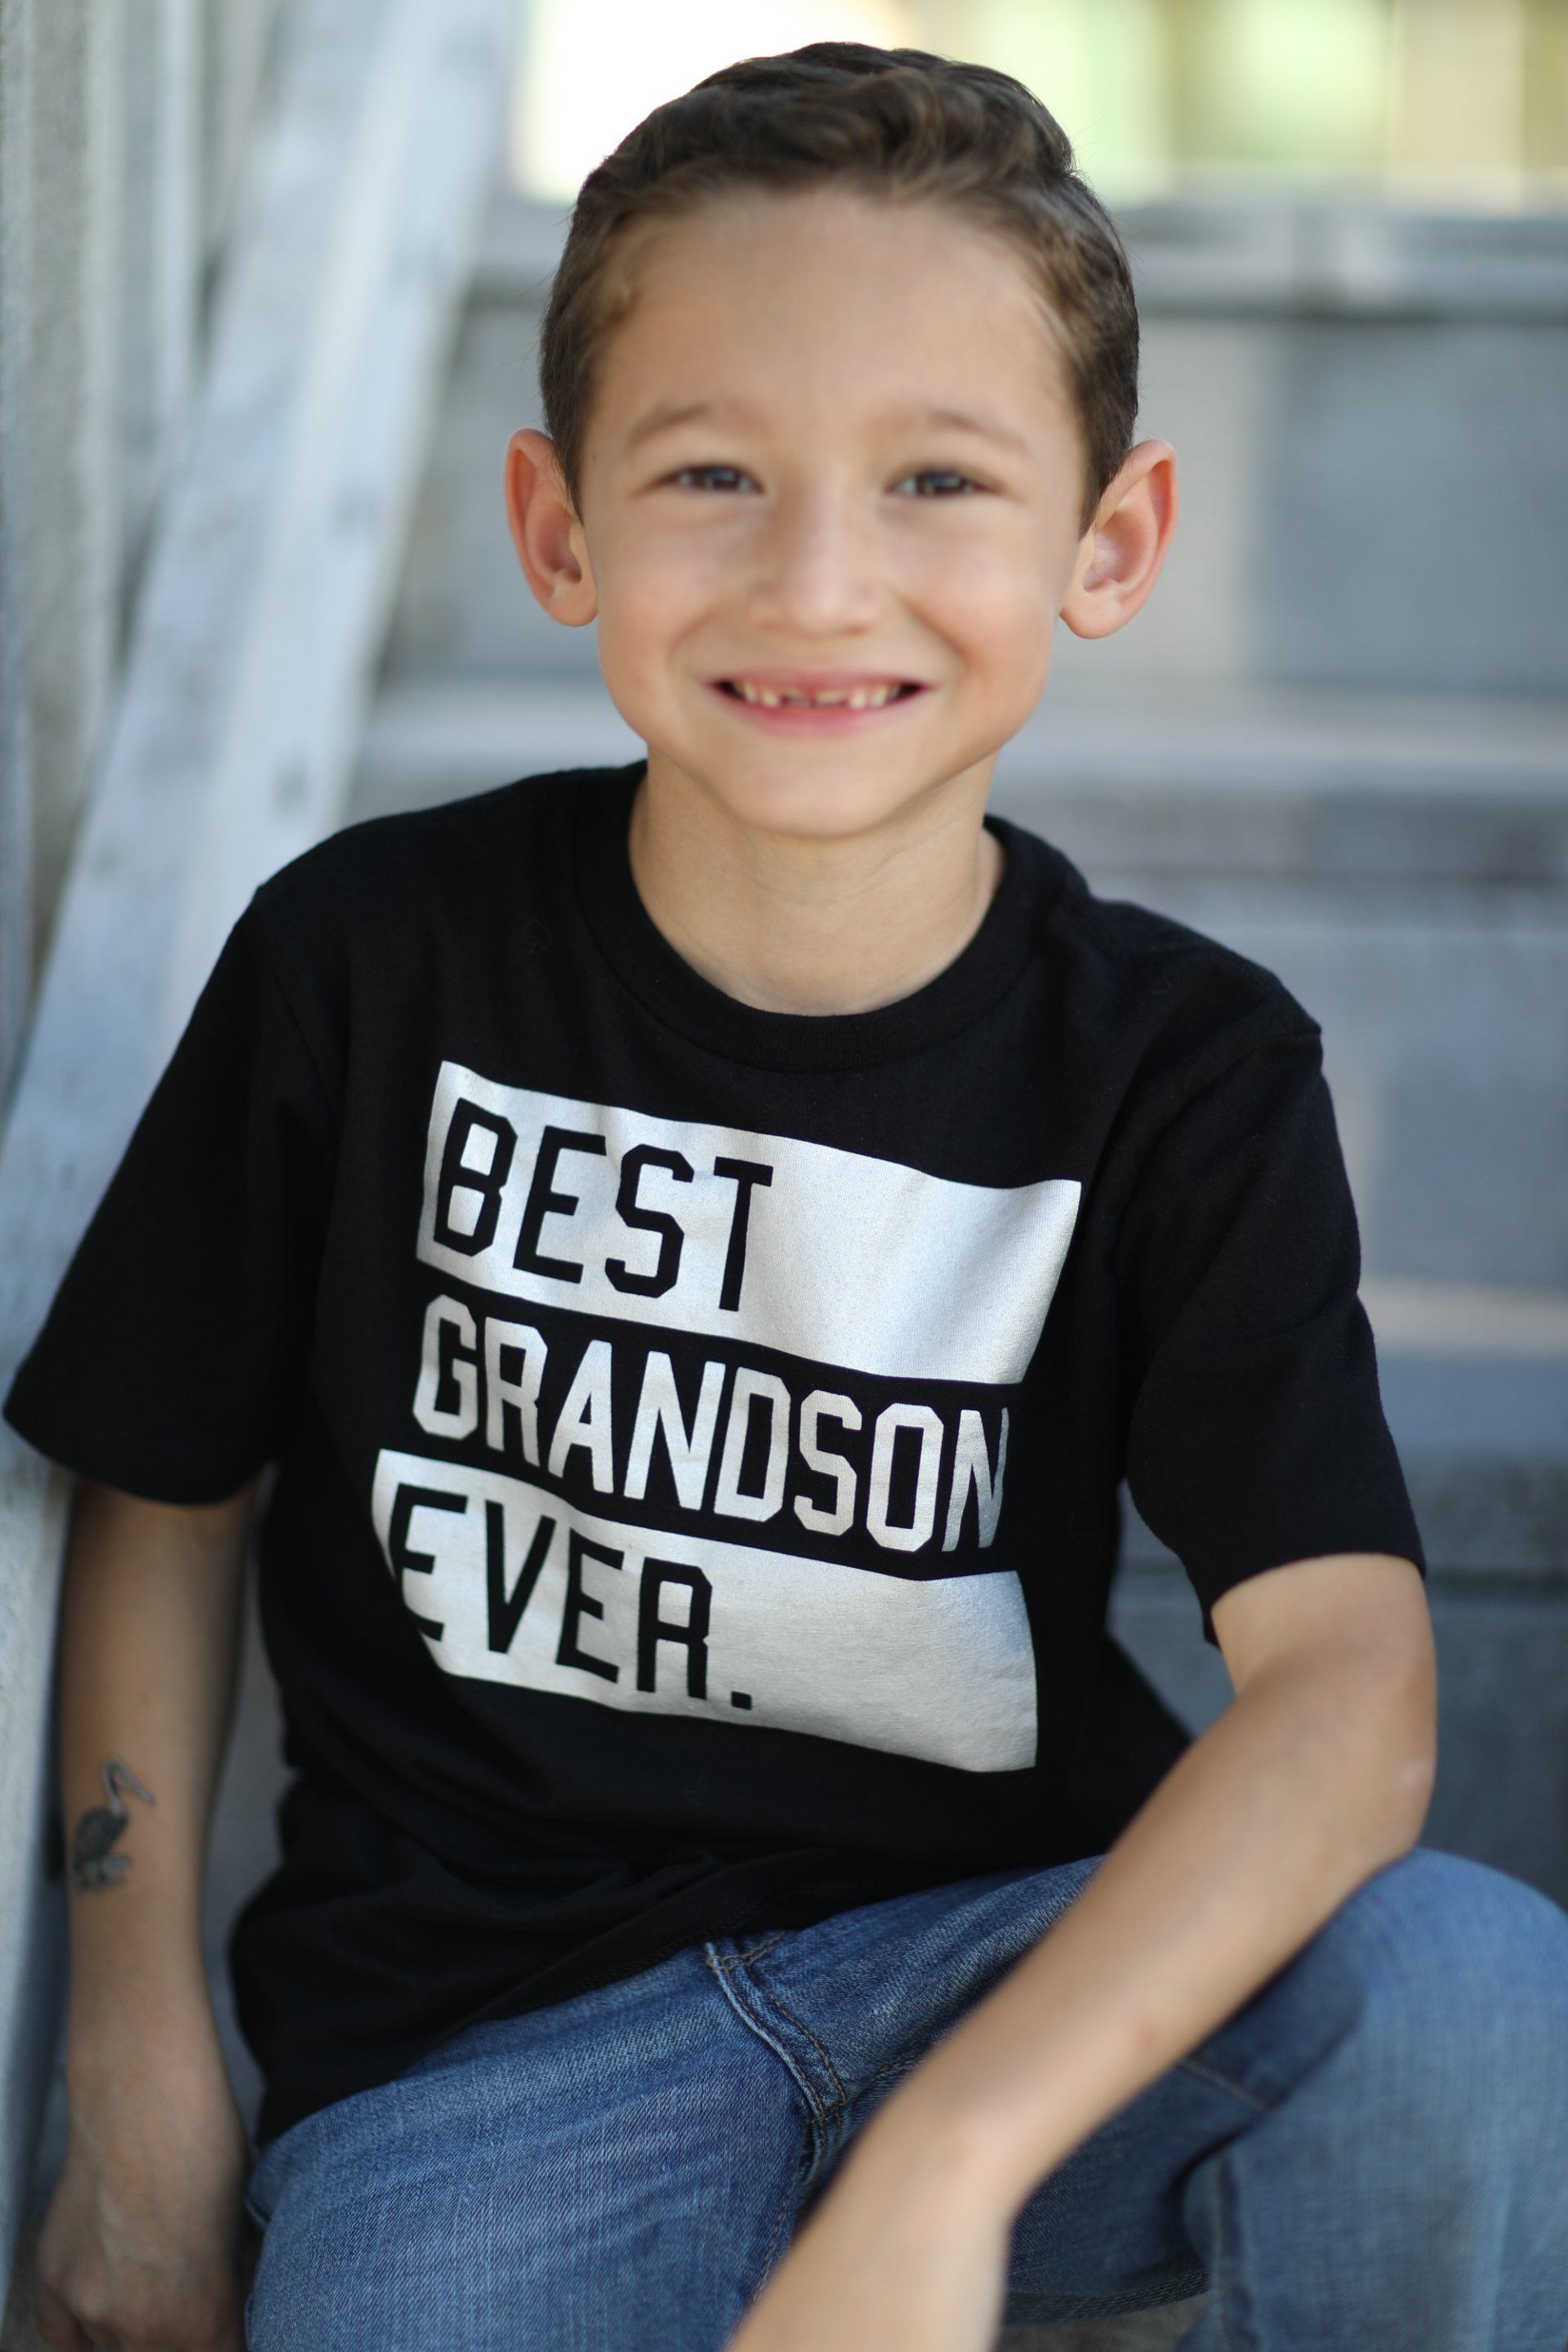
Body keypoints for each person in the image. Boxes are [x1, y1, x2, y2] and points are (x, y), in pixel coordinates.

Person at [7, 40, 1567, 2352]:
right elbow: (162, 1485)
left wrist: (954, 2158)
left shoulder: (1178, 1068)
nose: (822, 582)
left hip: (1011, 1972)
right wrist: (133, 2083)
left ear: (1110, 542)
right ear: (558, 528)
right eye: (714, 473)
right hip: (477, 2070)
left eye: (939, 478)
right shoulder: (370, 959)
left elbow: (1350, 1691)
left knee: (1464, 1987)